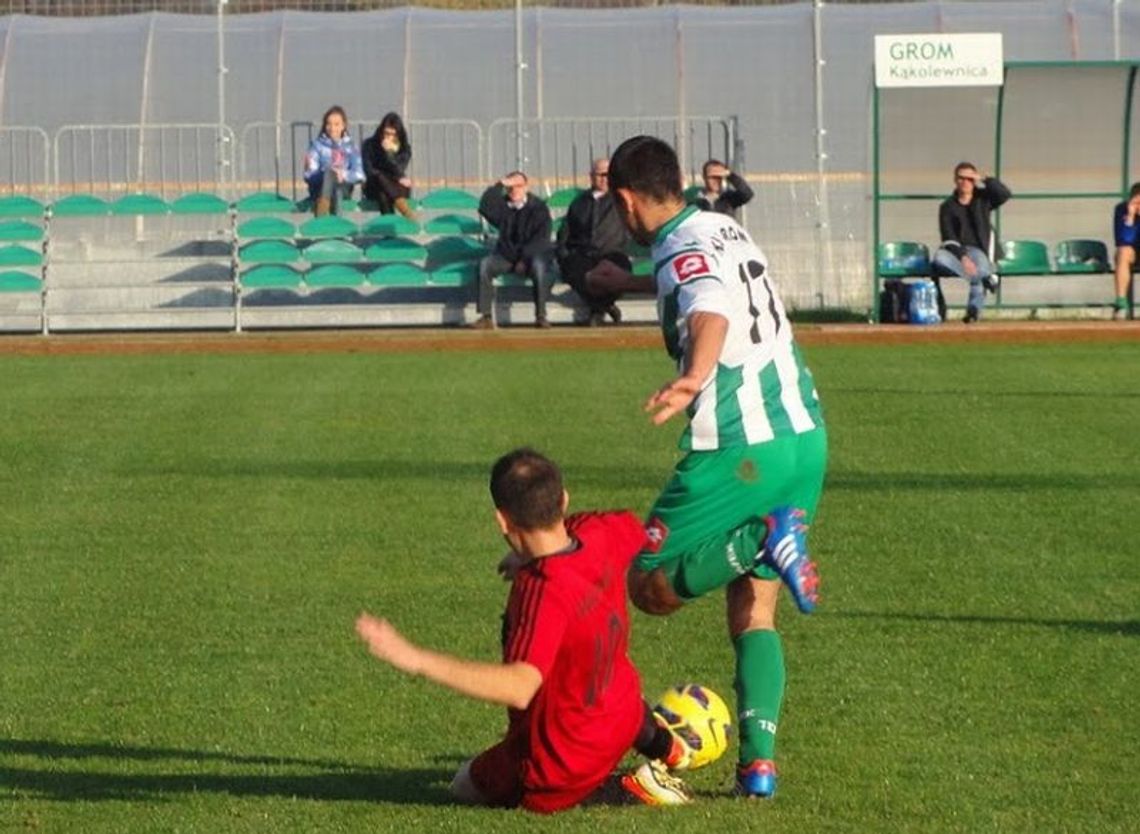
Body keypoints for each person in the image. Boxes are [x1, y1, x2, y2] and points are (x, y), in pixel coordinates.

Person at [586, 135, 826, 800]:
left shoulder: (682, 250)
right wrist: (635, 284)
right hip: (804, 435)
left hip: (742, 448)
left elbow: (711, 306)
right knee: (754, 609)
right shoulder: (722, 226)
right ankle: (758, 767)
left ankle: (760, 540)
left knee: (647, 582)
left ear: (626, 200)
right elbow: (709, 285)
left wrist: (693, 376)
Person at [355, 448, 695, 812]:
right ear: (563, 500)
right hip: (624, 712)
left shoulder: (543, 589)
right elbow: (634, 528)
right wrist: (527, 551)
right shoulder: (601, 531)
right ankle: (669, 747)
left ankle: (628, 787)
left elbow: (519, 687)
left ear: (502, 521)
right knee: (595, 681)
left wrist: (416, 658)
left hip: (559, 762)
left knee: (464, 783)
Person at [932, 161, 1012, 323]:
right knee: (939, 259)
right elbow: (948, 236)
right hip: (955, 251)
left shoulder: (983, 199)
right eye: (961, 178)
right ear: (955, 180)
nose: (965, 182)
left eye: (969, 179)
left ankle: (973, 312)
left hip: (978, 250)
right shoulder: (947, 206)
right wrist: (963, 257)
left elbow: (1004, 194)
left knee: (980, 267)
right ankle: (986, 278)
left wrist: (983, 178)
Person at [555, 159, 631, 326]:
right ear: (591, 177)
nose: (604, 179)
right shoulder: (579, 203)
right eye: (600, 175)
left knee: (620, 275)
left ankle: (598, 309)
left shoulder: (621, 200)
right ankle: (604, 307)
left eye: (608, 175)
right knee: (573, 271)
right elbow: (566, 232)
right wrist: (563, 253)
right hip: (583, 255)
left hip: (613, 253)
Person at [475, 172, 553, 329]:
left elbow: (541, 240)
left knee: (539, 268)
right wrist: (500, 183)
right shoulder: (503, 207)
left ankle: (541, 315)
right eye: (510, 187)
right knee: (485, 265)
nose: (514, 190)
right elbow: (485, 206)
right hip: (507, 256)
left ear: (526, 187)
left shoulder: (538, 208)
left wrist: (524, 259)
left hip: (531, 257)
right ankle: (486, 316)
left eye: (518, 186)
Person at [302, 105, 364, 217]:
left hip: (343, 188)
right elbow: (309, 175)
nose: (332, 128)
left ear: (343, 126)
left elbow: (360, 175)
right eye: (328, 124)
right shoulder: (317, 145)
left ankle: (321, 215)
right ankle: (330, 215)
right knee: (329, 174)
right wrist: (327, 172)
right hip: (319, 189)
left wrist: (343, 174)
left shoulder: (351, 147)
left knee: (337, 188)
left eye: (336, 124)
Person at [362, 112, 416, 220]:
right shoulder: (369, 145)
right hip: (374, 186)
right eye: (386, 133)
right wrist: (395, 177)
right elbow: (369, 170)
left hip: (397, 187)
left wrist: (389, 154)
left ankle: (389, 228)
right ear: (381, 130)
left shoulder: (405, 149)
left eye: (393, 134)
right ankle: (406, 213)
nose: (389, 137)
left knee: (384, 194)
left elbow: (399, 169)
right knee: (379, 177)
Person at [1111, 182, 1140, 319]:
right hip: (1134, 253)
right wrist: (1130, 218)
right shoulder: (1121, 209)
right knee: (1123, 252)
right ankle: (1121, 304)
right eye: (1136, 202)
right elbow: (1123, 240)